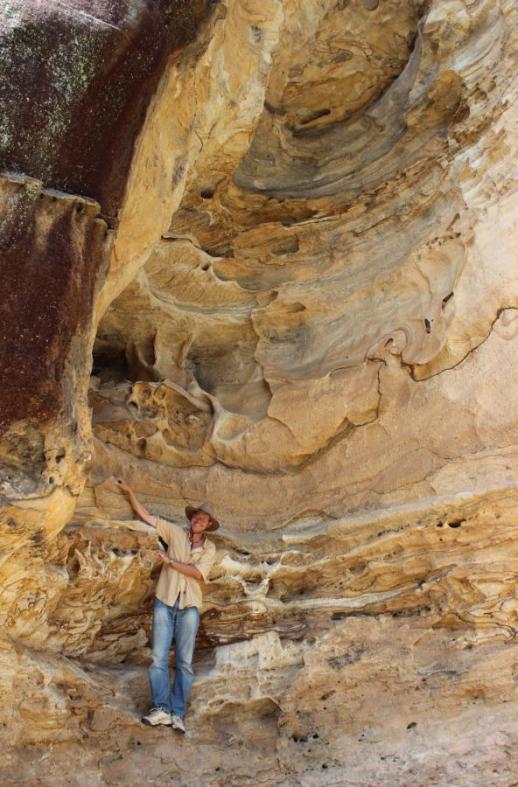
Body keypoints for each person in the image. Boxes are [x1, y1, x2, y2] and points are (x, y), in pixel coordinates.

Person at [116, 479, 218, 734]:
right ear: (191, 519)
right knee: (158, 658)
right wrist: (129, 492)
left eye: (204, 519)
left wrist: (170, 562)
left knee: (184, 662)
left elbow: (197, 573)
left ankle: (178, 713)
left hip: (189, 606)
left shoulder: (211, 548)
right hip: (165, 601)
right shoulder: (174, 532)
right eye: (197, 517)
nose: (199, 521)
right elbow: (147, 517)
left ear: (208, 526)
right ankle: (161, 709)